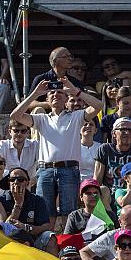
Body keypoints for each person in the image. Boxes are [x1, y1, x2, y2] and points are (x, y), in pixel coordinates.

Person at [11, 78, 103, 227]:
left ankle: (68, 247)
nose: (55, 94)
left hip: (69, 169)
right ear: (47, 99)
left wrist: (75, 91)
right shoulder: (41, 119)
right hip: (45, 170)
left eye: (60, 92)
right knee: (46, 215)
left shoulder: (76, 116)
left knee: (69, 214)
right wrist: (35, 93)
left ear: (67, 99)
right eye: (52, 92)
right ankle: (48, 246)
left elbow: (99, 105)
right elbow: (15, 115)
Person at [0, 166, 52, 239]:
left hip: (33, 238)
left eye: (20, 180)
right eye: (12, 180)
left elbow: (46, 226)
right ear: (9, 183)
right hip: (11, 240)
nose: (16, 182)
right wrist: (18, 204)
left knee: (49, 236)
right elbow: (4, 229)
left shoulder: (37, 200)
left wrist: (27, 228)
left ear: (27, 183)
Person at [0, 119, 39, 184]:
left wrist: (28, 182)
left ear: (28, 132)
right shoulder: (2, 145)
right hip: (8, 183)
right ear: (10, 132)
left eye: (23, 131)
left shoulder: (35, 145)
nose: (19, 134)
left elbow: (41, 166)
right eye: (16, 131)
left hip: (30, 184)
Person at [95, 117, 131, 200]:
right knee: (101, 189)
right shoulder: (105, 149)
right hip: (108, 197)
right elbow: (97, 179)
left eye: (130, 130)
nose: (127, 132)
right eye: (123, 129)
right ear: (114, 133)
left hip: (128, 197)